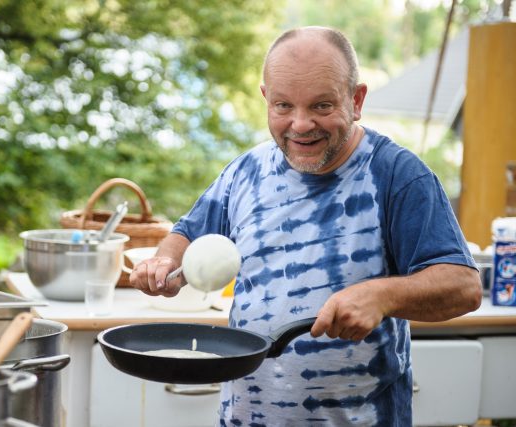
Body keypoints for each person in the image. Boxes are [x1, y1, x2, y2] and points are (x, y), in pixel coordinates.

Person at [130, 26, 482, 426]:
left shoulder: (397, 176)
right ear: (266, 99)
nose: (300, 124)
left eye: (321, 106)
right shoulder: (245, 172)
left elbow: (463, 287)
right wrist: (164, 264)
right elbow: (188, 233)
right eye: (283, 106)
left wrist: (381, 295)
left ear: (357, 99)